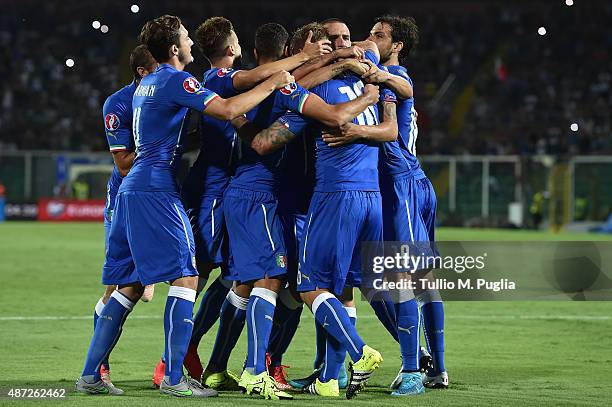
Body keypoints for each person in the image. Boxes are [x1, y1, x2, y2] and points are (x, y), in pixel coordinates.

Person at [76, 14, 293, 398]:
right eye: (186, 37)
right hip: (156, 188)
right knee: (187, 276)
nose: (192, 42)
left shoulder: (146, 85)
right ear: (175, 48)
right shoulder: (174, 78)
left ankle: (91, 373)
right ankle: (174, 376)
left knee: (128, 284)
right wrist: (274, 82)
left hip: (131, 189)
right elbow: (226, 110)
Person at [90, 44, 157, 390]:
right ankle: (98, 368)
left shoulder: (167, 93)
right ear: (144, 72)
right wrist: (160, 145)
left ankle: (171, 369)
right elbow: (123, 163)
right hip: (125, 197)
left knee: (139, 289)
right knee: (118, 285)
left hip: (159, 195)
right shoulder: (118, 104)